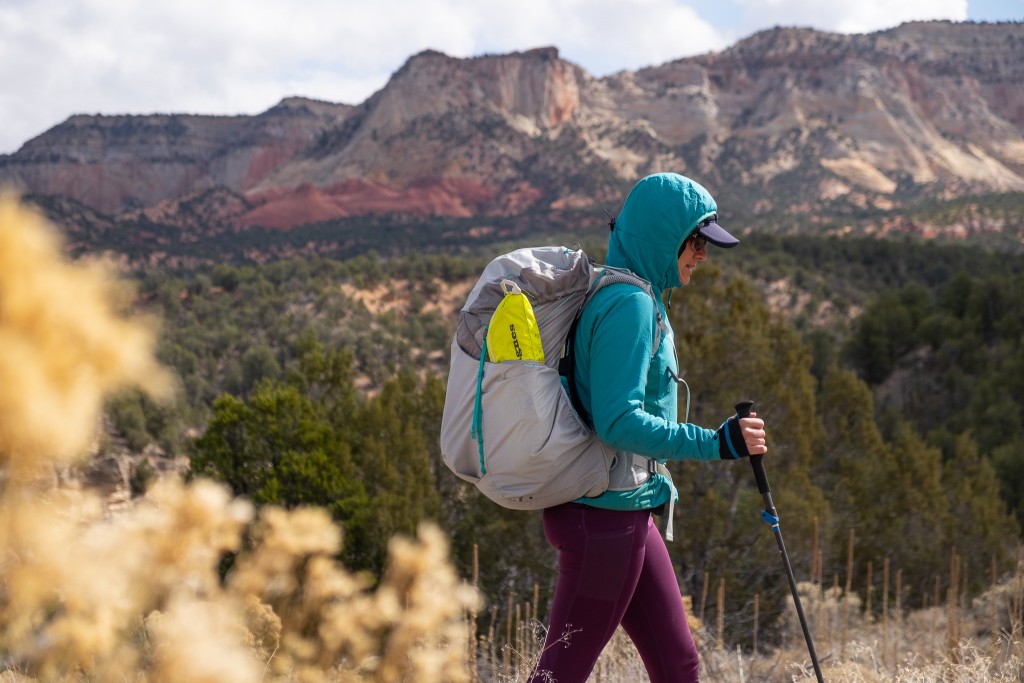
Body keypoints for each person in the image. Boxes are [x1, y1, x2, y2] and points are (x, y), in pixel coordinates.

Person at [527, 172, 768, 683]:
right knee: (560, 673)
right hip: (603, 521)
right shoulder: (629, 305)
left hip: (625, 511)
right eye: (697, 241)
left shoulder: (634, 295)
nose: (702, 255)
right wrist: (717, 442)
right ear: (665, 237)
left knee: (678, 664)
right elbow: (618, 422)